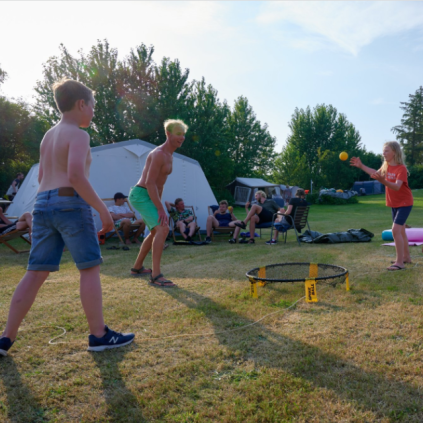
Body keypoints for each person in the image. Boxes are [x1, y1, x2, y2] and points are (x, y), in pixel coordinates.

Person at [0, 78, 135, 357]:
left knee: (34, 273)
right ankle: (99, 336)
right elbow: (75, 176)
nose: (94, 112)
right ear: (81, 104)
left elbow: (40, 177)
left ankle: (5, 339)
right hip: (70, 203)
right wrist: (102, 209)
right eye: (93, 106)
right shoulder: (79, 135)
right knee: (89, 268)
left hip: (43, 203)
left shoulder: (48, 136)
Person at [129, 119, 188, 287]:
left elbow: (159, 185)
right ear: (168, 134)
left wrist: (158, 204)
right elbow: (149, 183)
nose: (182, 138)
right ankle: (156, 276)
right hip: (140, 194)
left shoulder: (170, 155)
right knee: (163, 228)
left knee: (157, 231)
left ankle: (137, 267)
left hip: (149, 195)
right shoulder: (158, 154)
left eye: (183, 135)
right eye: (178, 134)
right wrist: (161, 209)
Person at [351, 141, 413, 271]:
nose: (383, 153)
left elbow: (396, 186)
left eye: (386, 151)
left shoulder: (401, 168)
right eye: (383, 151)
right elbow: (375, 173)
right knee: (401, 231)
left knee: (395, 230)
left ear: (394, 152)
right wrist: (361, 166)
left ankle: (399, 262)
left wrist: (383, 180)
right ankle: (406, 257)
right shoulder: (386, 166)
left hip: (405, 203)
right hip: (394, 203)